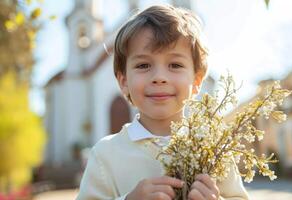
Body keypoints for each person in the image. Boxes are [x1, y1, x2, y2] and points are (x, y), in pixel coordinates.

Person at [77, 4, 249, 200]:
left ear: (197, 81)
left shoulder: (213, 148)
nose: (159, 77)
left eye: (175, 65)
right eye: (143, 65)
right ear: (124, 81)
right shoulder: (104, 155)